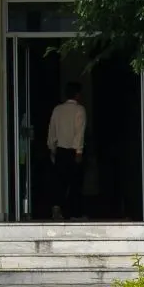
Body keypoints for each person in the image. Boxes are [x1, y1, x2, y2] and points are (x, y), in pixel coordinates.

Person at [47, 82, 87, 220]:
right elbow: (79, 132)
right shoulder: (79, 110)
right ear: (77, 94)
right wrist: (79, 151)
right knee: (74, 182)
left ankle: (57, 208)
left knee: (59, 181)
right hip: (73, 151)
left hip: (60, 150)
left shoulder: (57, 110)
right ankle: (73, 212)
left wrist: (52, 148)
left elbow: (52, 130)